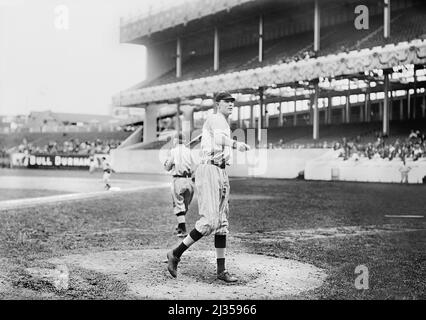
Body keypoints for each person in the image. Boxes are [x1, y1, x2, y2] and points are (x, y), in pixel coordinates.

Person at [166, 91, 250, 283]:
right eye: (226, 101)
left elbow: (209, 138)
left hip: (221, 171)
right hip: (210, 169)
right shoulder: (216, 118)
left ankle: (221, 270)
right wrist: (237, 144)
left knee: (222, 223)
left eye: (232, 102)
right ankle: (175, 253)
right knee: (209, 222)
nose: (230, 104)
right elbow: (220, 140)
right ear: (218, 104)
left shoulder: (219, 122)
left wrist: (197, 141)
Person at [163, 133, 195, 238]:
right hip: (189, 180)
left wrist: (166, 162)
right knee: (185, 206)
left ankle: (183, 229)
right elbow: (195, 167)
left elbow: (167, 168)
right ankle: (180, 226)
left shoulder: (173, 151)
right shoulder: (189, 151)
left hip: (178, 179)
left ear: (176, 141)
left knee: (179, 205)